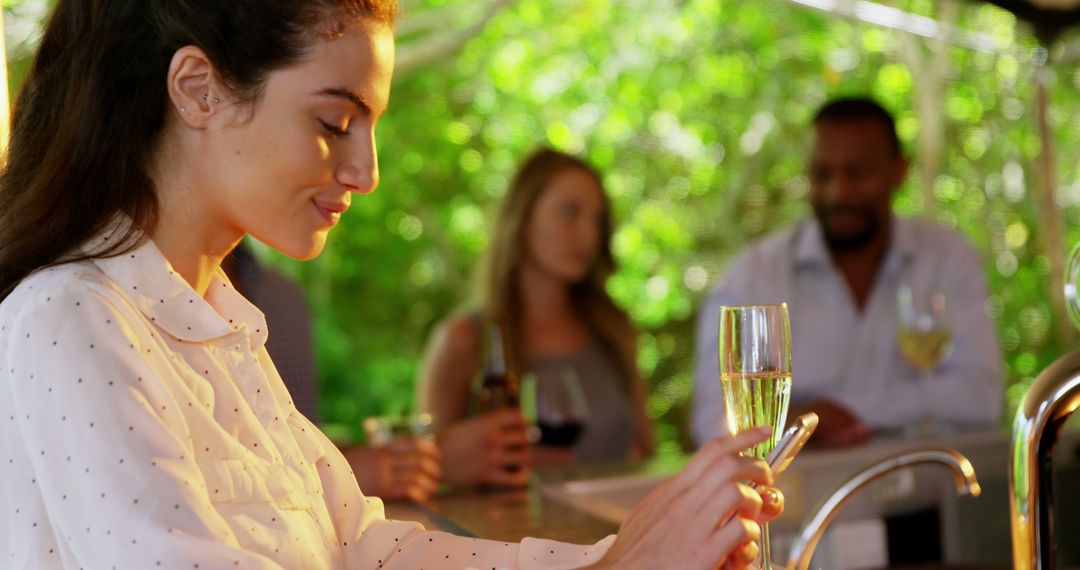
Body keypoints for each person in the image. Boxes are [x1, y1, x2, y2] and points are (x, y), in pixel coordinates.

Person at [0, 1, 782, 568]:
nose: (365, 172)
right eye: (336, 123)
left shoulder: (219, 327)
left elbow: (366, 545)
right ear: (198, 89)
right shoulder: (72, 316)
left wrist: (612, 556)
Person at [693, 97, 1004, 449]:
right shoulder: (752, 277)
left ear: (899, 172)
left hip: (927, 494)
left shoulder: (947, 257)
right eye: (823, 174)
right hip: (796, 501)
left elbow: (981, 396)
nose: (839, 191)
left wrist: (835, 413)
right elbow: (714, 425)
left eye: (858, 173)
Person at [418, 148, 656, 485]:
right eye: (569, 213)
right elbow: (427, 473)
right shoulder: (464, 339)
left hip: (615, 532)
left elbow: (647, 456)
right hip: (509, 536)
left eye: (597, 219)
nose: (589, 235)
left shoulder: (614, 329)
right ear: (523, 217)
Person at [224, 244, 441, 503]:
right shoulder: (163, 308)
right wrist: (346, 476)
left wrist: (373, 465)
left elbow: (295, 441)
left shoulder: (283, 296)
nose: (358, 199)